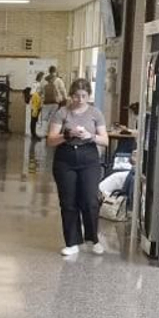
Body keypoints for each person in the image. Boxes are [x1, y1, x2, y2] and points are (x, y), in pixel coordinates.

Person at [47, 77, 110, 257]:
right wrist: (67, 135)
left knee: (90, 200)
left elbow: (105, 140)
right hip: (65, 158)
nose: (79, 100)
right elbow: (51, 140)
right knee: (68, 201)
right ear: (71, 95)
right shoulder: (62, 113)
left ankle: (93, 239)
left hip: (88, 157)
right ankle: (72, 241)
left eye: (83, 96)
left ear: (88, 95)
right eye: (76, 96)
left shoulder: (95, 113)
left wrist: (89, 136)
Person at [38, 66, 67, 139]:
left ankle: (44, 133)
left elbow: (40, 91)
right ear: (55, 71)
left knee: (44, 118)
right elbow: (63, 90)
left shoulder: (43, 80)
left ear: (49, 71)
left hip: (45, 102)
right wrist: (65, 99)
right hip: (55, 102)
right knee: (52, 118)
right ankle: (50, 133)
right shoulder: (58, 80)